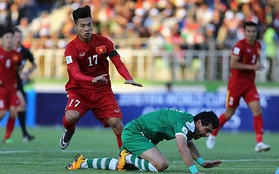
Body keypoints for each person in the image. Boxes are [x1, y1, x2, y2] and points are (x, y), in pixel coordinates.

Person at [59, 5, 143, 150]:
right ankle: (70, 130)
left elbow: (117, 61)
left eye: (89, 24)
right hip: (80, 90)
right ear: (75, 27)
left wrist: (128, 77)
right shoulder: (71, 48)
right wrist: (91, 79)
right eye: (83, 25)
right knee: (71, 116)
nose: (87, 29)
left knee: (117, 123)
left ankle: (126, 158)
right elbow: (75, 74)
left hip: (102, 90)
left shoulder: (105, 42)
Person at [66, 108, 221, 173]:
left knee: (125, 167)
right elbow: (182, 148)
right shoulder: (184, 122)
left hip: (139, 135)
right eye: (207, 130)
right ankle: (126, 156)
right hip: (135, 133)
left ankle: (83, 162)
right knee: (161, 165)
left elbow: (189, 143)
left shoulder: (188, 124)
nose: (207, 135)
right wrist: (194, 171)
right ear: (199, 122)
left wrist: (201, 162)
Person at [206, 21, 271, 152]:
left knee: (257, 110)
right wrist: (252, 67)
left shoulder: (258, 45)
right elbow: (233, 64)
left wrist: (252, 69)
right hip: (236, 84)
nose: (251, 34)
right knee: (230, 113)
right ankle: (213, 133)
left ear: (256, 32)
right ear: (244, 32)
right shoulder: (239, 46)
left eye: (253, 31)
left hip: (250, 84)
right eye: (249, 31)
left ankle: (259, 142)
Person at [13, 27, 37, 142]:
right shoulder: (6, 50)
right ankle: (24, 134)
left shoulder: (24, 51)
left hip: (17, 83)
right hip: (6, 83)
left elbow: (34, 64)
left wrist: (26, 74)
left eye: (20, 37)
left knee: (21, 106)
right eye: (16, 36)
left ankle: (24, 134)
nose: (18, 39)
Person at [0, 28, 22, 143]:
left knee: (14, 111)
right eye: (6, 37)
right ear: (2, 40)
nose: (9, 40)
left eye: (11, 37)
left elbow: (18, 68)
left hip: (12, 88)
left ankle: (7, 137)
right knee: (2, 112)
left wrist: (22, 74)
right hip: (1, 89)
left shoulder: (17, 55)